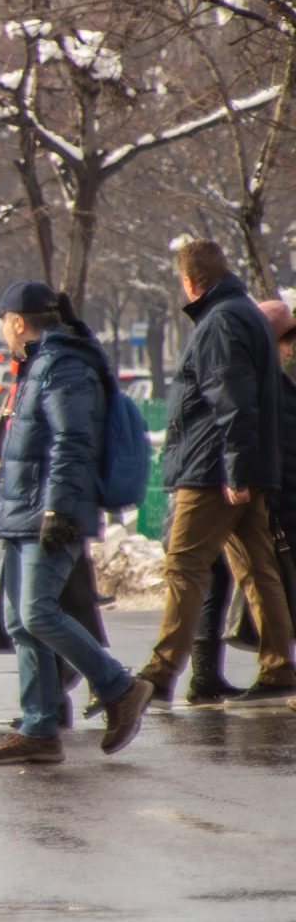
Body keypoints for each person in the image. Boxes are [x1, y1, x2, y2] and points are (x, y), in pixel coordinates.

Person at [0, 282, 156, 764]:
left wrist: (58, 509)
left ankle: (119, 687)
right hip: (25, 509)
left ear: (18, 322)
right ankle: (39, 728)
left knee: (37, 612)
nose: (3, 330)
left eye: (4, 322)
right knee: (20, 622)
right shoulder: (39, 364)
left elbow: (72, 440)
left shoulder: (63, 365)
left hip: (49, 510)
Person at [136, 237, 296, 704]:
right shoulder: (245, 315)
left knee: (184, 565)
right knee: (257, 567)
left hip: (211, 470)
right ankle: (278, 666)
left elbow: (230, 399)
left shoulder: (220, 322)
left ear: (191, 282)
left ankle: (160, 671)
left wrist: (235, 469)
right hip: (237, 465)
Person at [187, 296, 296, 699]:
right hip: (245, 494)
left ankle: (211, 673)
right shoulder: (268, 385)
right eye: (285, 342)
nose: (288, 351)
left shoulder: (260, 381)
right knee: (243, 576)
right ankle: (226, 672)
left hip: (238, 492)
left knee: (223, 577)